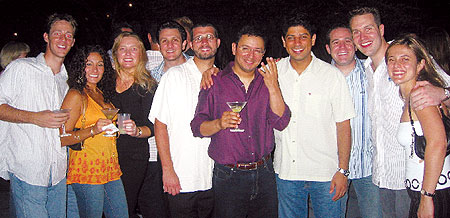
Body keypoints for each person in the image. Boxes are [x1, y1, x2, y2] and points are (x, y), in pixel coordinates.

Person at [349, 7, 450, 217]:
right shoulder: (363, 69)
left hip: (417, 179)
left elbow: (444, 84)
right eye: (356, 32)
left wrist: (443, 92)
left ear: (381, 29)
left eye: (368, 28)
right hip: (382, 177)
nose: (363, 37)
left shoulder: (406, 58)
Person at [191, 25, 291, 218]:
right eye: (245, 48)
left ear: (263, 54)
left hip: (265, 173)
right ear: (234, 48)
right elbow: (197, 127)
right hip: (228, 176)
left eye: (257, 50)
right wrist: (219, 123)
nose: (250, 55)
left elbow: (281, 121)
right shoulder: (215, 81)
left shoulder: (267, 81)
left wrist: (273, 86)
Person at [274, 14, 355, 218]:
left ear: (313, 39)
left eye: (303, 36)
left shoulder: (331, 76)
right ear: (283, 42)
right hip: (286, 173)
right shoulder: (272, 72)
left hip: (326, 174)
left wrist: (343, 170)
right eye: (291, 37)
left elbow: (343, 125)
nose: (297, 43)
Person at [0, 13, 76, 217]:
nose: (63, 39)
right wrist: (35, 117)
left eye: (68, 35)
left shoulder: (67, 81)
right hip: (29, 169)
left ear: (73, 41)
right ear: (46, 37)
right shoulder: (21, 68)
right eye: (57, 33)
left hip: (59, 171)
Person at [149, 22, 220, 218]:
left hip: (216, 177)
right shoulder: (174, 76)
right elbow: (160, 125)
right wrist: (168, 170)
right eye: (198, 38)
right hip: (181, 178)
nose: (204, 42)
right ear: (190, 44)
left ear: (218, 42)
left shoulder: (224, 78)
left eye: (209, 37)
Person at [386, 33, 450, 218]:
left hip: (434, 191)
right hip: (425, 189)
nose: (397, 65)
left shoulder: (420, 96)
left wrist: (427, 197)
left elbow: (438, 143)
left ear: (421, 64)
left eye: (405, 59)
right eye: (391, 60)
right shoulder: (412, 96)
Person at [60, 45, 128, 218]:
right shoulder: (76, 95)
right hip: (87, 170)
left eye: (100, 64)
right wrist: (92, 130)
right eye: (88, 64)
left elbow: (108, 128)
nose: (94, 69)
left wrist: (118, 130)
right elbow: (61, 137)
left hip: (110, 167)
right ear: (80, 67)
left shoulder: (102, 93)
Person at [325, 24, 382, 217]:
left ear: (356, 45)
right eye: (336, 42)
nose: (342, 47)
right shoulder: (320, 78)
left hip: (369, 168)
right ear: (327, 48)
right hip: (332, 170)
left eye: (348, 41)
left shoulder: (373, 72)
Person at [111, 32, 163, 218]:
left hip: (133, 156)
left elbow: (153, 126)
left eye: (134, 49)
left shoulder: (148, 85)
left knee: (124, 206)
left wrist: (137, 131)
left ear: (141, 54)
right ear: (115, 53)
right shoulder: (105, 82)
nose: (127, 53)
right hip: (104, 154)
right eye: (122, 49)